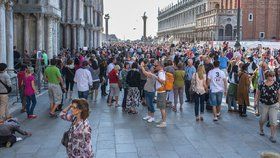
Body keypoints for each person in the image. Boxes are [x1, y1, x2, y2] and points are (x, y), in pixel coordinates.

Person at [255, 70, 280, 143]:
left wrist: (279, 102)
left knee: (273, 121)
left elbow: (279, 93)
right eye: (270, 76)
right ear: (267, 76)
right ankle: (261, 129)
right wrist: (256, 102)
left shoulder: (276, 84)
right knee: (263, 119)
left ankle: (272, 136)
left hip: (274, 104)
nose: (272, 77)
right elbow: (257, 93)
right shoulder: (262, 84)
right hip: (263, 104)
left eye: (273, 76)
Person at [154, 60, 167, 128]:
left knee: (162, 108)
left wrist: (156, 78)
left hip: (161, 92)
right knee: (161, 107)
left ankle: (164, 122)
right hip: (160, 91)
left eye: (156, 66)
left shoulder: (161, 73)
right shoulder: (160, 72)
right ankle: (162, 120)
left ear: (160, 66)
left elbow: (163, 82)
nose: (155, 67)